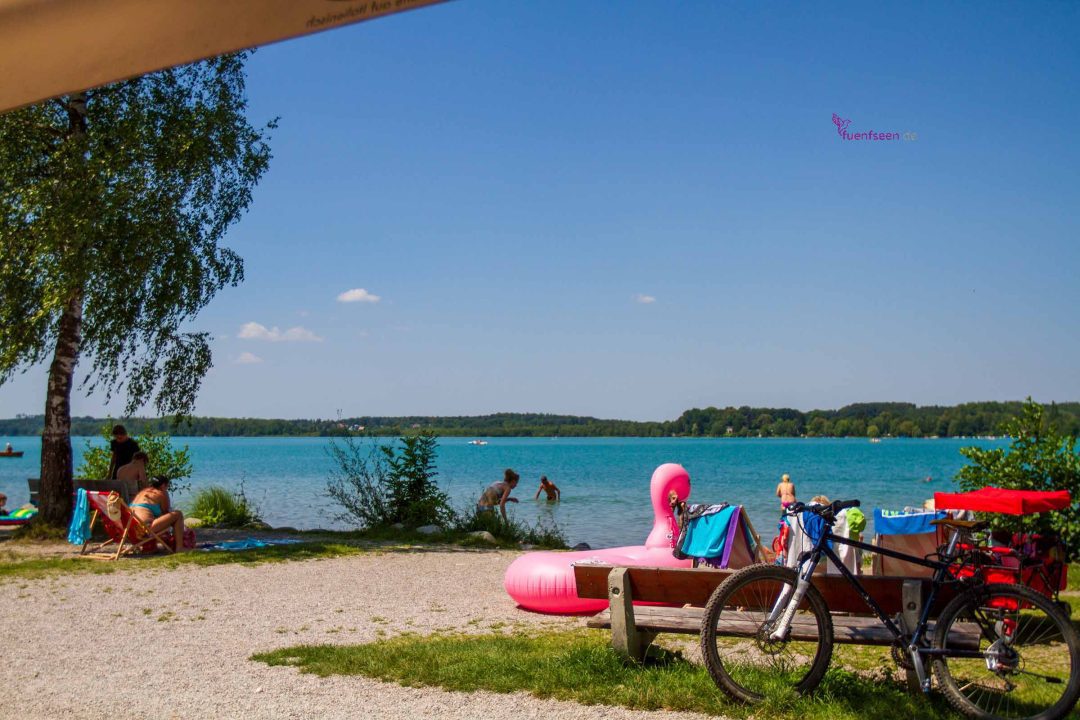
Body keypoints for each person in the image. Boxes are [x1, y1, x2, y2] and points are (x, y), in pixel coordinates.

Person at [130, 476, 186, 552]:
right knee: (178, 514)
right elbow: (166, 513)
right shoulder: (161, 493)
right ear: (163, 485)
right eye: (167, 486)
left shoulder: (143, 492)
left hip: (131, 529)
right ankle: (179, 548)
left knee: (153, 519)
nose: (167, 488)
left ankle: (153, 546)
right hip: (144, 530)